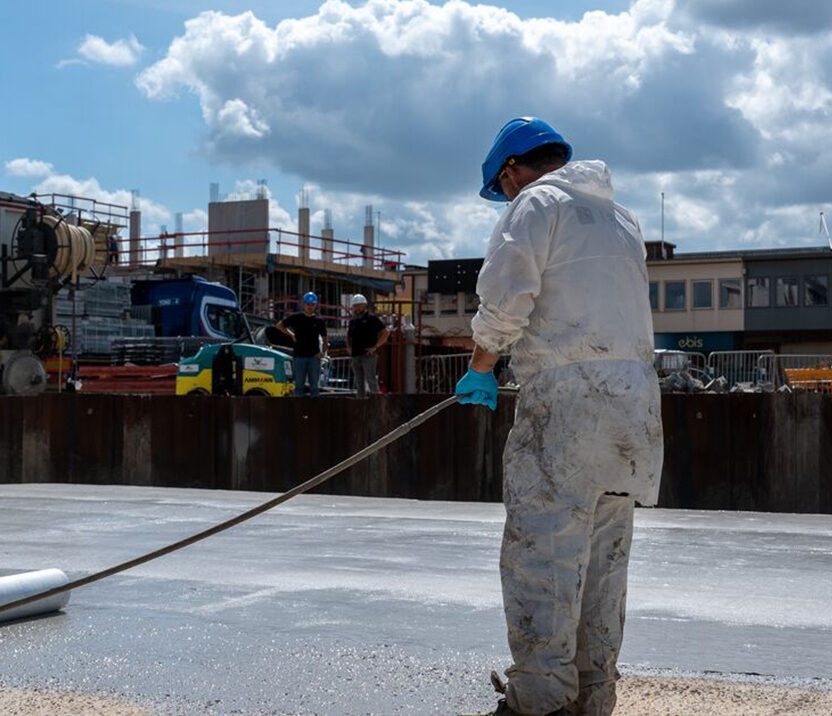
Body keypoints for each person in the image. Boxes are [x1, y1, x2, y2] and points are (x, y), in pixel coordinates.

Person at [456, 117, 663, 716]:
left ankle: (539, 703)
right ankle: (593, 699)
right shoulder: (623, 219)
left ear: (512, 169)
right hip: (634, 406)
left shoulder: (536, 204)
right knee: (604, 560)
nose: (508, 194)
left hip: (569, 398)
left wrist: (482, 364)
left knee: (543, 552)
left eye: (505, 185)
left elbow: (506, 296)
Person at [277, 291, 328, 397]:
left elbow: (325, 338)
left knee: (314, 386)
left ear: (315, 305)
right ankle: (298, 411)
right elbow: (280, 325)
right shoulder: (296, 318)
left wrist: (323, 353)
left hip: (314, 357)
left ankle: (314, 411)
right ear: (303, 304)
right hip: (299, 357)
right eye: (308, 304)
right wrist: (291, 335)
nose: (310, 307)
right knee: (299, 386)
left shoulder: (319, 321)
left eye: (312, 304)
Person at [347, 294, 389, 398]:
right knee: (359, 383)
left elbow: (385, 333)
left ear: (365, 306)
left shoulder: (372, 319)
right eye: (355, 306)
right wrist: (349, 348)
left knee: (371, 381)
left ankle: (376, 404)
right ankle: (360, 404)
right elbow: (348, 336)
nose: (356, 308)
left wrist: (375, 347)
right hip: (356, 355)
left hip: (368, 355)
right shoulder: (353, 321)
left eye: (358, 306)